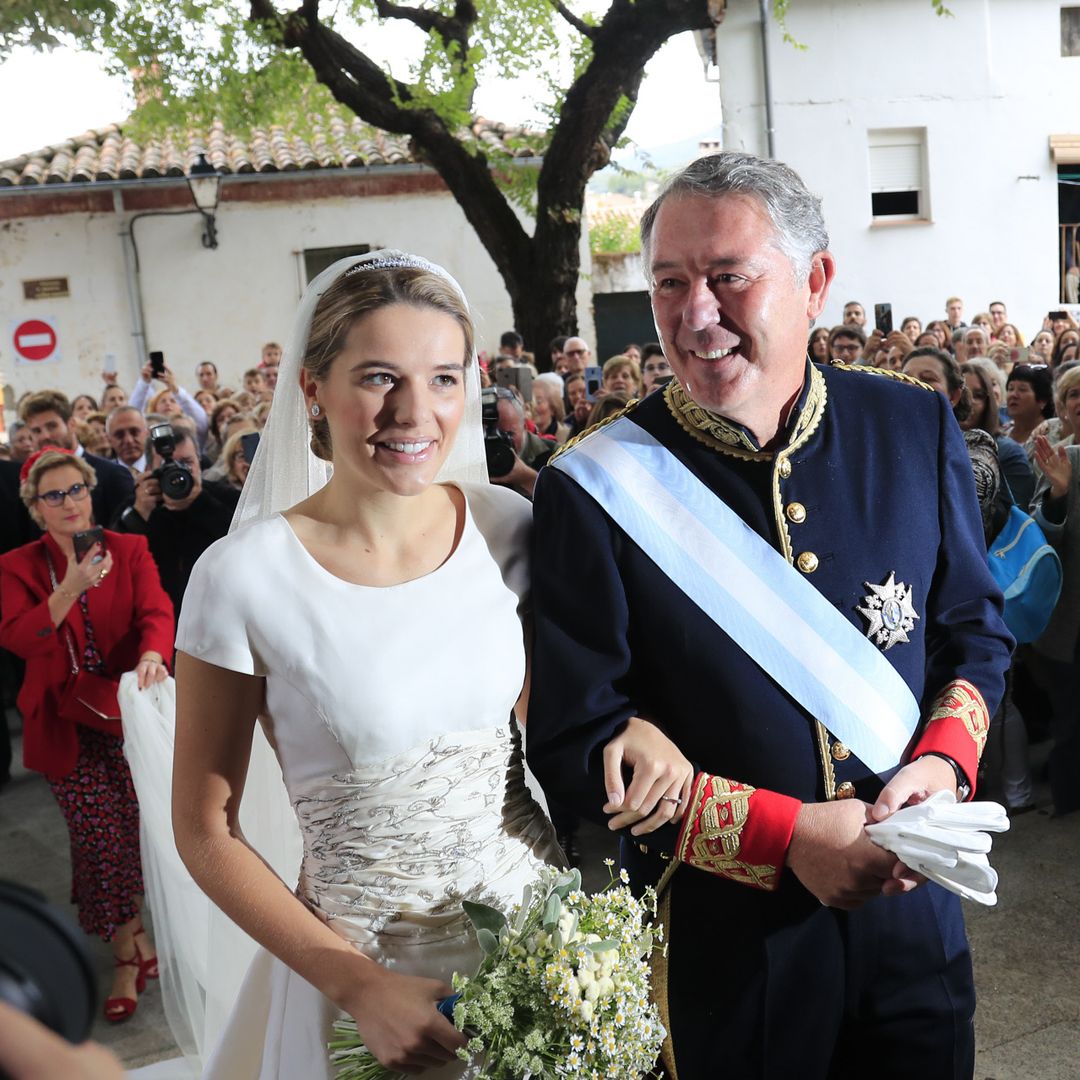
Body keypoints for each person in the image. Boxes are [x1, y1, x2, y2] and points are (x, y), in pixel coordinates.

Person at [527, 152, 1012, 1079]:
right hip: (724, 947)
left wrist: (944, 765)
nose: (694, 313)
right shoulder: (593, 486)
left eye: (728, 277)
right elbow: (573, 741)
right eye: (670, 282)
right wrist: (787, 839)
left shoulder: (912, 425)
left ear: (816, 281)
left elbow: (973, 632)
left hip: (914, 916)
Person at [165, 252, 559, 1077]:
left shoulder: (509, 528)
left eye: (444, 378)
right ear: (313, 388)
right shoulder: (242, 579)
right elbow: (206, 831)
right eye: (379, 377)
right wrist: (357, 985)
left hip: (545, 950)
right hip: (367, 985)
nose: (415, 412)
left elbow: (559, 729)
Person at [0, 449, 173, 1022]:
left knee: (138, 834)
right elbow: (21, 639)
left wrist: (153, 650)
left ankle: (141, 939)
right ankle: (128, 952)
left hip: (126, 717)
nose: (70, 502)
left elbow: (156, 610)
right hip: (63, 723)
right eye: (55, 495)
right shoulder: (17, 566)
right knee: (99, 842)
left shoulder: (129, 549)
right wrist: (69, 586)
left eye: (77, 490)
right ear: (36, 508)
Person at [112, 425, 240, 616]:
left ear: (199, 461)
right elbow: (115, 561)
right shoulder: (139, 502)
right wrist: (139, 514)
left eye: (187, 463)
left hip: (221, 611)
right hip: (159, 617)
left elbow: (241, 542)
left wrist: (201, 503)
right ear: (149, 469)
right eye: (167, 466)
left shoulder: (226, 497)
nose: (179, 472)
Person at [1031, 428, 1080, 816]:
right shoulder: (1066, 461)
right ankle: (1068, 801)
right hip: (1070, 626)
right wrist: (1058, 496)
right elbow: (1039, 541)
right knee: (1070, 725)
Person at [20, 392, 134, 528]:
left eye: (52, 426)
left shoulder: (113, 474)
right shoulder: (31, 483)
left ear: (72, 424)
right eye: (37, 431)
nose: (45, 436)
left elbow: (128, 533)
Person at [105, 406, 149, 474]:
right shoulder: (102, 476)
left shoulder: (162, 469)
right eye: (119, 435)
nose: (129, 440)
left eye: (134, 432)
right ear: (109, 440)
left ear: (147, 433)